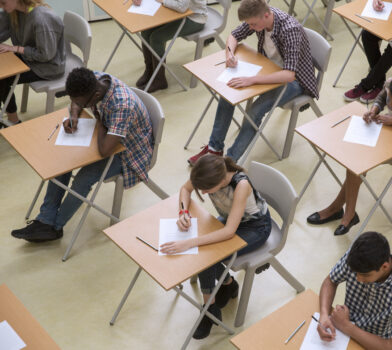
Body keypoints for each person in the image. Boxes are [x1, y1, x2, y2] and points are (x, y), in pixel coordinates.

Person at [11, 67, 153, 242]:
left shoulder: (122, 105)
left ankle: (55, 227)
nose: (76, 103)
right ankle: (45, 221)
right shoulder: (94, 79)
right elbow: (76, 103)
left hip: (130, 154)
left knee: (84, 178)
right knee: (62, 161)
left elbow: (105, 150)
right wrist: (75, 115)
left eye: (81, 102)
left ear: (96, 94)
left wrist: (100, 124)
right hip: (109, 136)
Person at [187, 0, 317, 165]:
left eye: (254, 25)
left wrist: (251, 80)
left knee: (255, 111)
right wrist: (229, 54)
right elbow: (233, 36)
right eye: (249, 25)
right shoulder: (257, 19)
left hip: (296, 81)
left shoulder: (289, 29)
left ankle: (229, 162)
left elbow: (289, 75)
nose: (251, 28)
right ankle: (214, 149)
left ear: (267, 15)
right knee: (228, 93)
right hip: (267, 69)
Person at [307, 71, 392, 235]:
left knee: (358, 163)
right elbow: (381, 98)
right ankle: (342, 211)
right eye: (391, 101)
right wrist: (374, 109)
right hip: (387, 131)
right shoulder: (391, 84)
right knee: (357, 161)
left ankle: (341, 211)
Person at [160, 154, 271, 339]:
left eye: (207, 190)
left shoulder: (241, 185)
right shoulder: (207, 172)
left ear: (221, 180)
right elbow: (185, 190)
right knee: (204, 252)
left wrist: (187, 242)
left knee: (206, 257)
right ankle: (227, 284)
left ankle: (209, 309)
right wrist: (183, 212)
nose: (203, 193)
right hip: (231, 221)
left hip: (255, 227)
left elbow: (228, 232)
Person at [317, 231, 392, 349]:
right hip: (347, 333)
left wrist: (347, 326)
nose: (358, 278)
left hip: (377, 343)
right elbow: (330, 281)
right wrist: (324, 314)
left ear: (384, 266)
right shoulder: (356, 257)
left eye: (365, 275)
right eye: (355, 273)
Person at [0, 0, 65, 125]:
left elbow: (46, 55)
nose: (1, 6)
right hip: (30, 57)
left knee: (3, 77)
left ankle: (13, 121)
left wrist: (16, 48)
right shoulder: (14, 11)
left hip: (47, 67)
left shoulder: (42, 18)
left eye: (3, 3)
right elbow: (2, 31)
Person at [133, 0, 207, 93]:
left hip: (195, 18)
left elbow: (181, 7)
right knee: (146, 31)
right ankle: (150, 70)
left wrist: (163, 1)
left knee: (157, 38)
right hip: (175, 13)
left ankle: (160, 79)